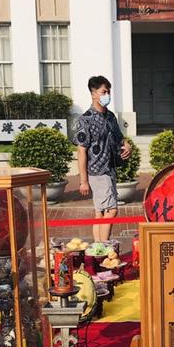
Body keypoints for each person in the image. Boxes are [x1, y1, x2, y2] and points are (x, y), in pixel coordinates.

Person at [75, 75, 131, 242]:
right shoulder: (85, 120)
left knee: (100, 213)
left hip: (110, 169)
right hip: (97, 172)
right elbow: (81, 151)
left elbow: (120, 138)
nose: (107, 95)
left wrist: (127, 145)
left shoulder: (111, 116)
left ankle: (97, 248)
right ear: (94, 94)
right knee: (111, 210)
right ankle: (105, 247)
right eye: (104, 92)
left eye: (108, 92)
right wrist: (83, 181)